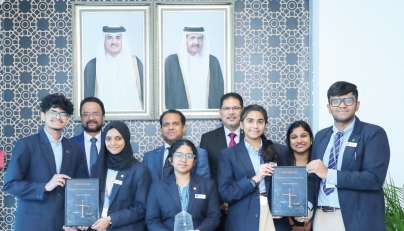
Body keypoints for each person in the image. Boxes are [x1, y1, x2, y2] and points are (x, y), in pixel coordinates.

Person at [306, 81, 390, 231]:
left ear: (357, 105)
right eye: (336, 101)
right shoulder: (321, 137)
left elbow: (374, 178)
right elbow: (314, 177)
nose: (342, 105)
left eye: (348, 100)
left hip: (356, 220)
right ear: (329, 107)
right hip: (322, 217)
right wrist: (308, 205)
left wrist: (329, 174)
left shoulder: (373, 134)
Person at [3, 93, 88, 231]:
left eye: (63, 114)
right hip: (33, 224)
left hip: (64, 225)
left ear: (67, 119)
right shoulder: (26, 144)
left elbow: (81, 188)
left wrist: (77, 221)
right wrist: (45, 187)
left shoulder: (74, 149)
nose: (58, 117)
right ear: (43, 115)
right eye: (53, 112)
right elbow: (10, 184)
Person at [217, 105, 290, 231]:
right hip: (243, 219)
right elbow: (226, 193)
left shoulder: (280, 150)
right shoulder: (228, 154)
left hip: (275, 216)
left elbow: (288, 184)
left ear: (265, 125)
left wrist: (284, 207)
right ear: (241, 124)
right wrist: (255, 179)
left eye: (260, 121)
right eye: (250, 121)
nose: (255, 126)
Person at [146, 139, 220, 231]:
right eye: (179, 155)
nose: (184, 159)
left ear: (194, 161)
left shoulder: (208, 185)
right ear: (170, 159)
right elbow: (152, 220)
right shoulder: (157, 188)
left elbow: (214, 216)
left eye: (189, 156)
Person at [90, 121, 152, 230]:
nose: (113, 143)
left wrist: (110, 219)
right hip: (96, 227)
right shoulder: (97, 167)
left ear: (126, 140)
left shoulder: (139, 170)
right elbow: (89, 200)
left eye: (118, 138)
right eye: (108, 139)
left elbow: (141, 208)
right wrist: (82, 221)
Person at [199, 92, 244, 231]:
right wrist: (220, 202)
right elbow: (205, 176)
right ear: (220, 112)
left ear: (242, 111)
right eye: (226, 108)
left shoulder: (253, 137)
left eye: (236, 108)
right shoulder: (207, 139)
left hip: (247, 206)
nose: (231, 112)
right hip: (218, 208)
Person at [83, 25, 144, 111]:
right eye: (109, 38)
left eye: (118, 38)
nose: (114, 42)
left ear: (123, 40)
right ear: (104, 40)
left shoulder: (135, 63)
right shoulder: (92, 65)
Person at [143, 109, 210, 183]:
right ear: (161, 129)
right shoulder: (149, 157)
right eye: (166, 124)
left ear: (184, 128)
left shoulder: (199, 153)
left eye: (175, 123)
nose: (170, 128)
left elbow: (203, 185)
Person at [164, 26, 224, 109]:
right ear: (185, 40)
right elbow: (167, 92)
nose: (196, 42)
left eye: (199, 38)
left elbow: (219, 90)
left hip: (208, 116)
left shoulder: (213, 61)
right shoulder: (172, 61)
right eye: (192, 38)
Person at [284, 120, 314, 231]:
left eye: (304, 136)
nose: (299, 140)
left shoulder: (320, 161)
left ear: (311, 139)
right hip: (287, 223)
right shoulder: (281, 163)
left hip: (317, 221)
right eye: (294, 137)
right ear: (289, 142)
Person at [70, 97, 106, 177]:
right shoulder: (70, 144)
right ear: (81, 118)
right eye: (86, 114)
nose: (91, 118)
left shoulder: (112, 143)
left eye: (96, 114)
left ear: (103, 118)